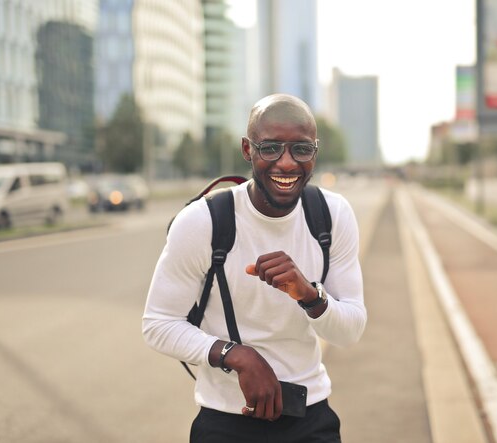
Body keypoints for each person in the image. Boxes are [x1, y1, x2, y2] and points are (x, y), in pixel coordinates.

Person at [142, 93, 366, 442]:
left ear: (315, 151)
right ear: (248, 150)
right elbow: (158, 323)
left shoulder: (332, 216)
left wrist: (310, 295)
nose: (287, 163)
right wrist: (236, 355)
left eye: (302, 149)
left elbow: (349, 331)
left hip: (311, 418)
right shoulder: (204, 222)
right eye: (271, 148)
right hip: (225, 422)